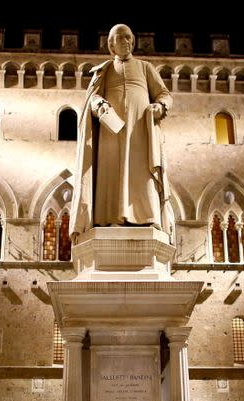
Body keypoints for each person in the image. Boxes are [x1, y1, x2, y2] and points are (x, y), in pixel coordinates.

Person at [69, 23, 174, 243]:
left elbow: (163, 93)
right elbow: (92, 97)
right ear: (111, 45)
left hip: (140, 131)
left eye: (128, 38)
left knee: (143, 171)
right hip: (111, 132)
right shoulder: (104, 70)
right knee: (111, 173)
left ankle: (149, 216)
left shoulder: (145, 67)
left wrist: (161, 106)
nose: (125, 41)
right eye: (120, 38)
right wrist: (99, 106)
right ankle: (110, 218)